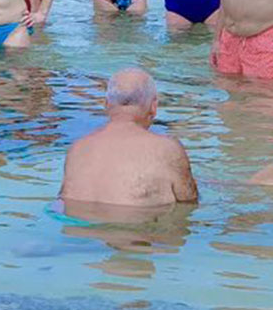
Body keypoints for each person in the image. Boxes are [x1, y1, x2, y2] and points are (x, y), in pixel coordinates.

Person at [60, 69, 199, 207]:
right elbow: (189, 202)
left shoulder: (77, 149)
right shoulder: (167, 150)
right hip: (139, 227)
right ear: (153, 107)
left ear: (106, 104)